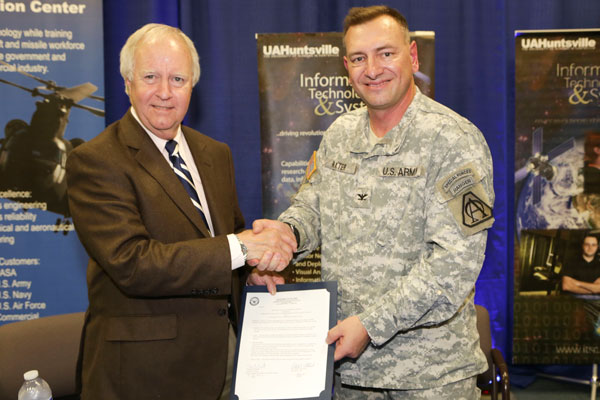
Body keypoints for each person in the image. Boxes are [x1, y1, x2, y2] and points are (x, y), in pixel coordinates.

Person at [254, 5, 494, 398]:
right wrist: (283, 239)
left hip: (429, 379)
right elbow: (311, 207)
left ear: (412, 57)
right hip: (350, 375)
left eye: (386, 53)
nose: (373, 69)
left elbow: (455, 266)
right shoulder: (339, 135)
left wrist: (370, 324)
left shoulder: (454, 141)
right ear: (346, 67)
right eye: (360, 58)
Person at [66, 23, 295, 400]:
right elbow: (133, 263)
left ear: (192, 86)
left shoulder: (215, 154)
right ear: (127, 82)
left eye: (177, 78)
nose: (164, 92)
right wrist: (240, 249)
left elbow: (224, 240)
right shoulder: (95, 161)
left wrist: (251, 272)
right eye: (151, 77)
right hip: (145, 376)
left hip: (226, 361)